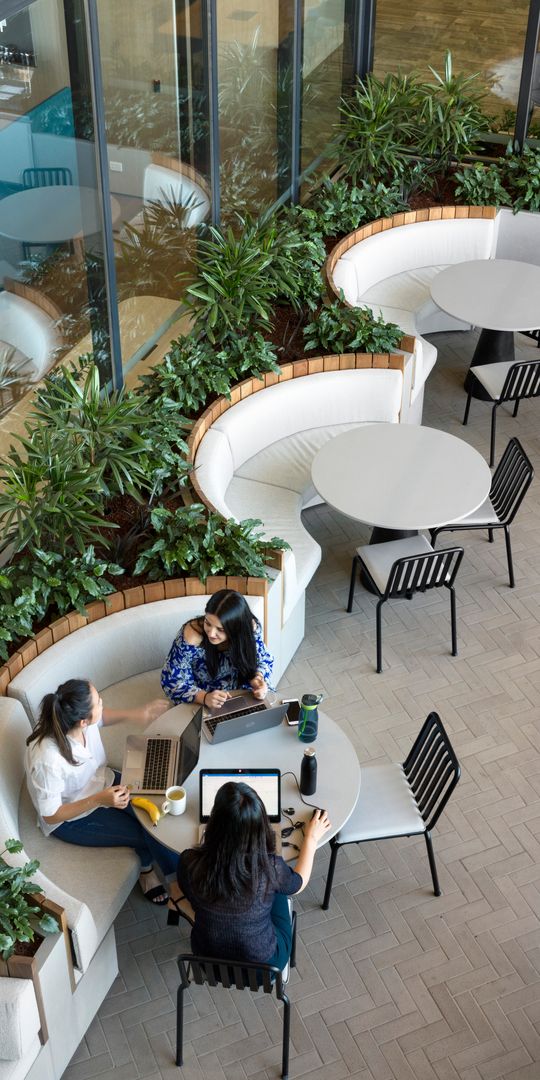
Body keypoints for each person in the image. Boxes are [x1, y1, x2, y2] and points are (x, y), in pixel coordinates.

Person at [25, 679, 176, 905]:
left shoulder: (76, 719)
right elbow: (51, 814)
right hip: (71, 818)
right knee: (144, 832)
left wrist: (137, 713)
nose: (102, 702)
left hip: (101, 780)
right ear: (83, 720)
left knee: (157, 817)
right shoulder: (48, 760)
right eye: (98, 701)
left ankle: (180, 872)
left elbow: (101, 718)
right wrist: (99, 800)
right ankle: (150, 873)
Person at [168, 782, 331, 968]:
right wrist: (311, 838)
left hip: (207, 958)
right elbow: (298, 883)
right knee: (279, 890)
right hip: (265, 966)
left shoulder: (189, 862)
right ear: (260, 825)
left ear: (213, 822)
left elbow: (189, 892)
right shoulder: (270, 868)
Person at [161, 588, 274, 708]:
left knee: (268, 714)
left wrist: (258, 678)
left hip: (243, 687)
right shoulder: (191, 635)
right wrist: (204, 697)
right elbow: (172, 681)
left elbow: (264, 659)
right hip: (205, 696)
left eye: (220, 629)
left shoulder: (249, 628)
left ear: (236, 628)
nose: (211, 633)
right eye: (208, 623)